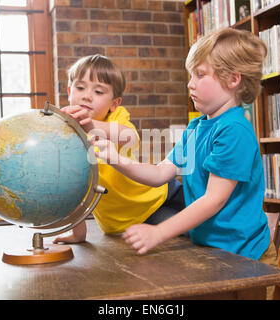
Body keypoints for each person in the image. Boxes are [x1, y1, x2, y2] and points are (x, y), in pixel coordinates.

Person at [90, 28, 278, 267]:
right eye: (191, 75)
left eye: (200, 74)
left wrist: (159, 232)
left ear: (233, 79)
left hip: (247, 256)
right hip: (212, 252)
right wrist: (117, 159)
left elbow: (213, 200)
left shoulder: (234, 130)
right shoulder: (196, 127)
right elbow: (160, 174)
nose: (190, 84)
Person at [53, 54, 185, 244]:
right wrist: (77, 234)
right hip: (128, 223)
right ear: (69, 91)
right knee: (194, 231)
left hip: (160, 192)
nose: (87, 96)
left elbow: (131, 136)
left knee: (211, 212)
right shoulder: (65, 138)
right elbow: (72, 191)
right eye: (80, 87)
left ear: (114, 104)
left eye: (98, 92)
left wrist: (91, 126)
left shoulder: (115, 118)